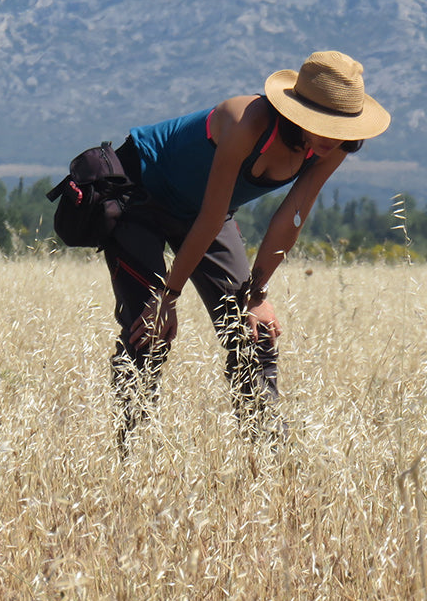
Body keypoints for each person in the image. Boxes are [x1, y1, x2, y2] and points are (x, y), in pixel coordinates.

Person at [103, 50, 390, 453]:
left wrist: (257, 296)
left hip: (204, 212)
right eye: (323, 123)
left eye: (340, 126)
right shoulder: (246, 121)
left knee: (254, 333)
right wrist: (168, 297)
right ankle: (125, 456)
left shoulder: (334, 146)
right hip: (138, 195)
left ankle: (270, 460)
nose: (331, 136)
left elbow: (292, 215)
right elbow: (210, 215)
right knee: (148, 330)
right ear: (298, 112)